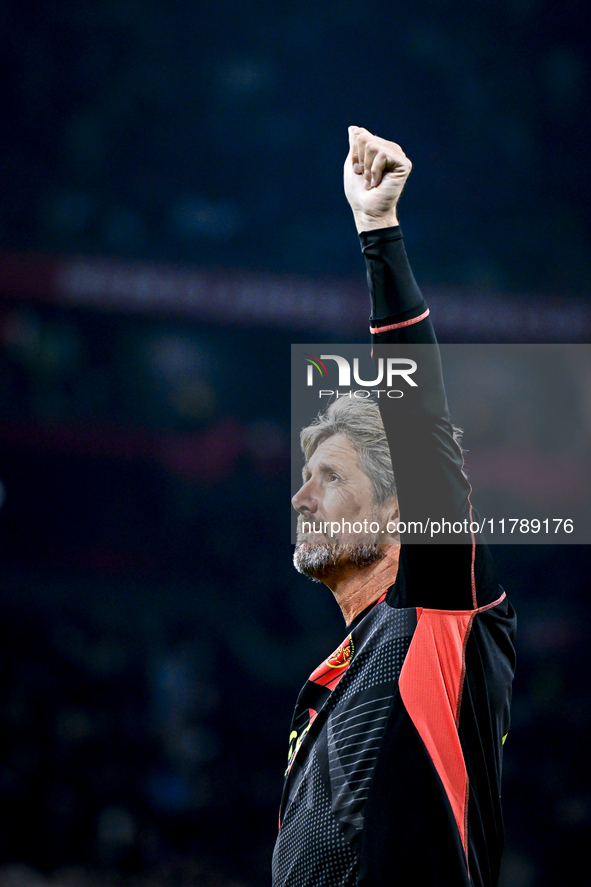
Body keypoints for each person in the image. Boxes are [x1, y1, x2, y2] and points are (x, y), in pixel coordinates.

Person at [272, 127, 517, 887]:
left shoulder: (432, 615)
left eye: (330, 478)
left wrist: (378, 234)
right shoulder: (330, 681)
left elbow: (420, 421)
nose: (299, 497)